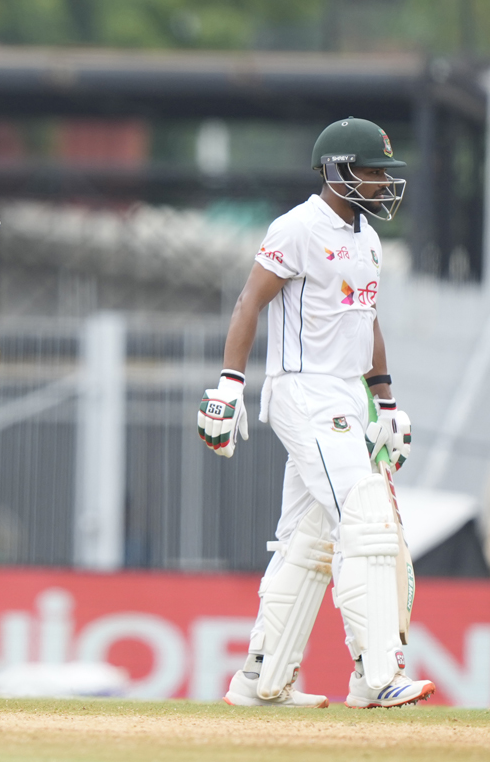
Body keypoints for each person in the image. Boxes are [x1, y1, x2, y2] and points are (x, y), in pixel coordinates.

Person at [197, 117, 435, 709]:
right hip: (303, 390)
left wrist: (385, 400)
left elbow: (367, 320)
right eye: (373, 171)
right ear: (337, 170)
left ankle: (260, 678)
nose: (383, 183)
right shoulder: (299, 227)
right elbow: (250, 300)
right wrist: (230, 383)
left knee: (305, 540)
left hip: (347, 393)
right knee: (366, 519)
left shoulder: (370, 240)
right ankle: (376, 676)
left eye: (385, 172)